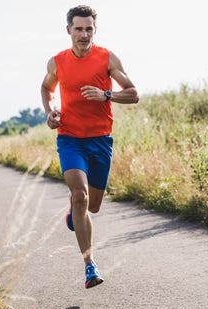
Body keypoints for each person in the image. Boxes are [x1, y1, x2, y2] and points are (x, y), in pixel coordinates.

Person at [40, 4, 139, 289]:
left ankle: (75, 212)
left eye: (89, 29)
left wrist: (106, 95)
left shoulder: (107, 58)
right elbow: (46, 88)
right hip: (70, 138)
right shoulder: (56, 62)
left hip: (100, 140)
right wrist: (50, 112)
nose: (84, 34)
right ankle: (90, 266)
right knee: (80, 195)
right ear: (68, 30)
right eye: (79, 29)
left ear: (94, 30)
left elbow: (133, 94)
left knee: (92, 206)